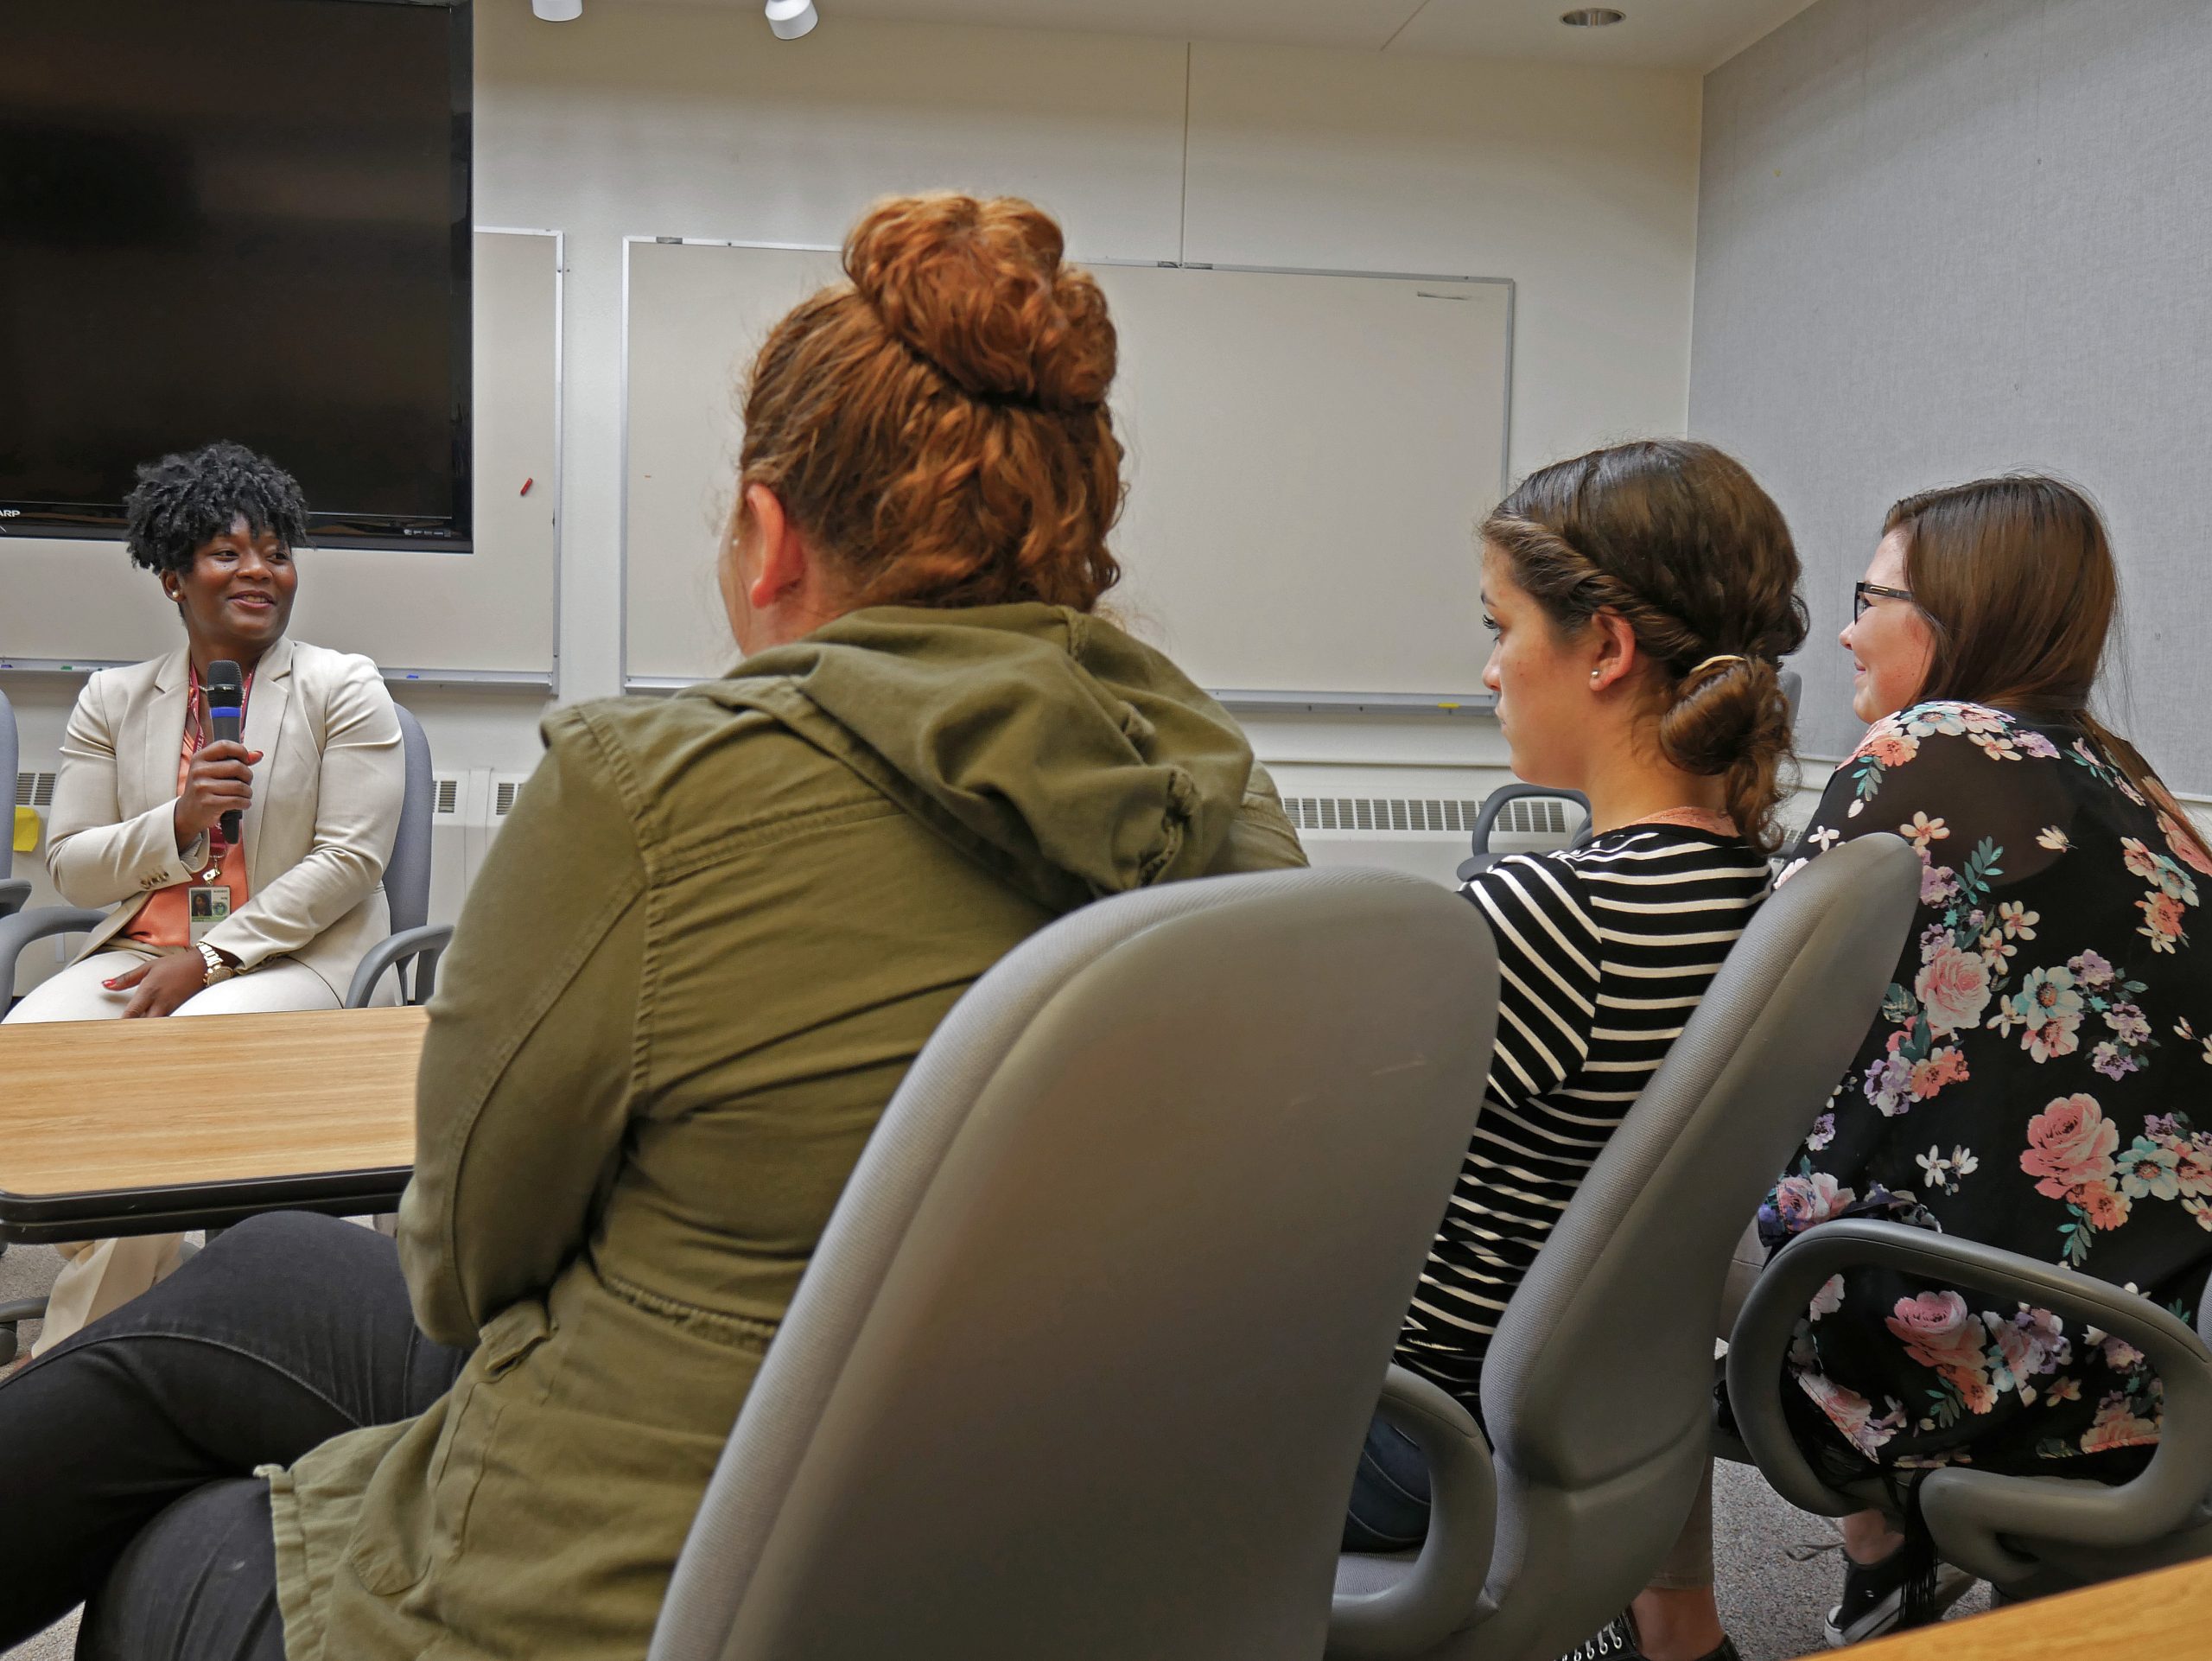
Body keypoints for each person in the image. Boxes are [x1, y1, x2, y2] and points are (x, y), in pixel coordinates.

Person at [0, 192, 1305, 1661]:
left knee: (190, 1556)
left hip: (677, 1545)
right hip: (1018, 1507)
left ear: (767, 532)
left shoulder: (651, 796)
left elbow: (465, 1267)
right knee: (270, 1266)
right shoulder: (1233, 811)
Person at [1342, 439, 1808, 1661]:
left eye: (1501, 626)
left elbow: (1334, 1187)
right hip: (1571, 1410)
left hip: (1408, 1436)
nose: (1490, 666)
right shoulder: (1752, 888)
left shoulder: (1556, 914)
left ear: (1603, 648)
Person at [1729, 475, 2212, 1645]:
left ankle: (1676, 1613)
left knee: (1611, 1233)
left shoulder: (1932, 741)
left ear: (1965, 616)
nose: (1845, 628)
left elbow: (1752, 1004)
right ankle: (1884, 1550)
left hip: (1998, 1337)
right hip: (2160, 1326)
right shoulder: (2127, 774)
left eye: (1870, 594)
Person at [3, 441, 404, 1354]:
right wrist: (180, 822)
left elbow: (349, 861)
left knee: (168, 1070)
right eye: (228, 552)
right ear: (174, 578)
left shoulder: (344, 687)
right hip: (142, 949)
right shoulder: (111, 698)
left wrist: (213, 955)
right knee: (21, 1058)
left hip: (291, 957)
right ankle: (137, 1285)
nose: (260, 569)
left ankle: (69, 1359)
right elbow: (71, 862)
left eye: (276, 550)